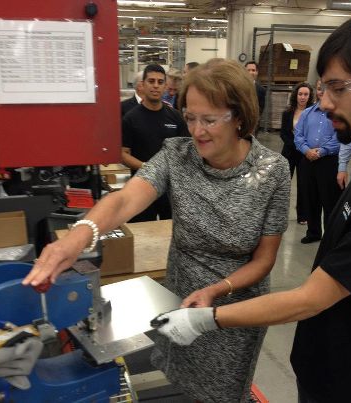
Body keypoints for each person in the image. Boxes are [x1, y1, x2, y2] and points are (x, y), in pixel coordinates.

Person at [14, 60, 290, 402]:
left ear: (239, 117)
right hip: (181, 291)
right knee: (183, 378)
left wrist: (216, 291)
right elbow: (125, 200)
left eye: (209, 120)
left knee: (223, 391)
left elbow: (264, 259)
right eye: (190, 117)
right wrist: (79, 236)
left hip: (233, 307)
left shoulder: (273, 170)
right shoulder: (176, 155)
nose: (197, 131)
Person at [153, 12, 351, 403]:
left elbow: (310, 296)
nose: (325, 101)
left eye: (338, 88)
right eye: (190, 118)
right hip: (325, 367)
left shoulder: (270, 170)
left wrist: (207, 316)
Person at [121, 63, 189, 222]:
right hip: (141, 187)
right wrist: (148, 168)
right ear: (142, 85)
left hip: (170, 189)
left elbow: (186, 148)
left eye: (160, 82)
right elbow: (123, 154)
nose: (155, 86)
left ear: (165, 86)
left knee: (171, 231)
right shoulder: (130, 118)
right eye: (151, 81)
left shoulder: (175, 117)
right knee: (141, 234)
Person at [294, 79, 342, 243]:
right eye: (319, 88)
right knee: (310, 198)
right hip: (308, 161)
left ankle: (330, 236)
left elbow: (339, 138)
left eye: (325, 89)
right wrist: (307, 150)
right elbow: (298, 135)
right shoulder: (307, 113)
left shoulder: (337, 113)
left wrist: (321, 151)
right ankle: (313, 232)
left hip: (328, 162)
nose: (322, 91)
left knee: (329, 200)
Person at [280, 82, 314, 224]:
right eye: (300, 94)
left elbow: (312, 134)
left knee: (303, 185)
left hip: (304, 154)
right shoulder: (288, 113)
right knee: (284, 184)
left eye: (306, 94)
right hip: (289, 151)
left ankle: (302, 215)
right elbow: (283, 133)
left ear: (309, 96)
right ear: (296, 95)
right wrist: (295, 145)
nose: (302, 97)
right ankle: (280, 214)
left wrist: (303, 148)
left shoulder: (313, 113)